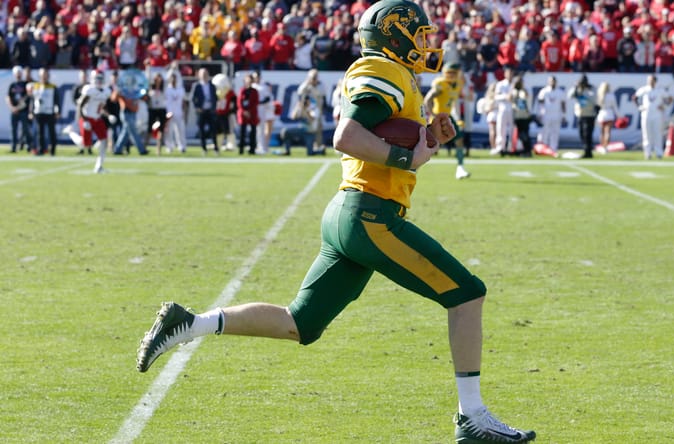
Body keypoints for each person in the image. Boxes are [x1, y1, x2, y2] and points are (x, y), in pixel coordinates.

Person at [136, 1, 536, 442]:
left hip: (351, 212)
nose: (426, 44)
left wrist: (428, 141)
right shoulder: (384, 70)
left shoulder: (398, 78)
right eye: (418, 35)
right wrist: (407, 152)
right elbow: (346, 136)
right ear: (394, 35)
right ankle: (472, 417)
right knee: (467, 295)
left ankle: (189, 322)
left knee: (300, 323)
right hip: (370, 216)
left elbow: (396, 154)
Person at [424, 62, 470, 179]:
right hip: (438, 117)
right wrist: (433, 114)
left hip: (448, 116)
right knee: (428, 145)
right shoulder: (441, 84)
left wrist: (457, 116)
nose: (451, 75)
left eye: (453, 73)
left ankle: (460, 168)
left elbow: (453, 102)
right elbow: (428, 99)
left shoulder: (458, 84)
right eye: (449, 73)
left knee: (459, 140)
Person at [77, 70, 112, 173]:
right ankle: (70, 133)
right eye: (97, 78)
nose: (99, 81)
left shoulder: (106, 91)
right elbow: (80, 105)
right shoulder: (89, 90)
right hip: (87, 117)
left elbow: (102, 107)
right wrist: (84, 120)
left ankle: (99, 166)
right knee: (85, 145)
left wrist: (109, 115)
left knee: (104, 141)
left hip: (97, 118)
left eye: (101, 78)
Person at [633, 75, 672, 160]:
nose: (650, 82)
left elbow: (670, 98)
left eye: (652, 80)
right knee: (647, 134)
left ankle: (659, 152)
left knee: (658, 133)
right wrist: (640, 107)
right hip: (646, 114)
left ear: (655, 81)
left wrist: (664, 106)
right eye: (649, 80)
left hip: (657, 114)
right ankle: (648, 153)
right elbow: (634, 97)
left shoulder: (660, 90)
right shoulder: (644, 89)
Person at [29, 67, 60, 156]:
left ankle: (53, 150)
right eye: (42, 75)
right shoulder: (35, 86)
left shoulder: (52, 86)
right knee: (40, 133)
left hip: (50, 112)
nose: (44, 77)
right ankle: (41, 149)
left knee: (51, 132)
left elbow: (57, 100)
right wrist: (31, 112)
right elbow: (32, 100)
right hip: (39, 112)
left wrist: (58, 111)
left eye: (45, 75)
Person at [296, 69, 327, 152]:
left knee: (319, 128)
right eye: (313, 78)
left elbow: (323, 97)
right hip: (308, 111)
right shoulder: (305, 86)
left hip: (318, 110)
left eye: (315, 77)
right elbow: (300, 98)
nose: (314, 79)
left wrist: (324, 108)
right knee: (309, 128)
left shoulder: (321, 85)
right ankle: (309, 145)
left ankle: (319, 146)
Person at [191, 68, 219, 155]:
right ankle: (204, 148)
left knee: (213, 130)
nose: (204, 76)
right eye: (202, 74)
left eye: (205, 73)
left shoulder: (212, 85)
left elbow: (215, 97)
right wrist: (197, 107)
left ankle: (216, 148)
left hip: (210, 111)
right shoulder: (197, 86)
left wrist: (214, 107)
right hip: (202, 111)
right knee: (201, 130)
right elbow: (193, 98)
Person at [568, 74, 597, 159]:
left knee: (587, 134)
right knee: (581, 134)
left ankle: (588, 152)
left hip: (590, 115)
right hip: (580, 114)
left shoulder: (591, 89)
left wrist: (584, 93)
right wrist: (576, 87)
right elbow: (570, 96)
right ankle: (586, 149)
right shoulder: (578, 89)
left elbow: (593, 99)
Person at [536, 75, 566, 155]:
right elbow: (540, 104)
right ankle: (544, 148)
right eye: (551, 81)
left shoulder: (560, 92)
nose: (552, 83)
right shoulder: (544, 91)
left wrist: (563, 115)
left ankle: (553, 149)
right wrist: (540, 113)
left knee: (555, 133)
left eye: (553, 81)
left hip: (556, 115)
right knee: (545, 132)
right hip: (546, 115)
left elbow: (563, 104)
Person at [6, 65, 32, 153]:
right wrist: (12, 107)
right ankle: (13, 147)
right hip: (14, 111)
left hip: (23, 110)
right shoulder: (12, 85)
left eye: (19, 73)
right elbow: (8, 97)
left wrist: (19, 106)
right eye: (16, 73)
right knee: (14, 130)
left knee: (25, 129)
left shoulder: (25, 84)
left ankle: (29, 146)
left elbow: (27, 97)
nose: (18, 75)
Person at [511, 74, 536, 157]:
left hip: (524, 116)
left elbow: (524, 97)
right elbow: (510, 99)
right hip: (517, 116)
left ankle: (528, 151)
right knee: (521, 134)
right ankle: (525, 150)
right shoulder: (514, 91)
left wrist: (521, 88)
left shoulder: (524, 90)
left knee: (524, 134)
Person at [252, 71, 275, 155]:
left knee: (263, 128)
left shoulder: (264, 86)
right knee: (257, 129)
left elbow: (268, 98)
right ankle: (258, 146)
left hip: (263, 109)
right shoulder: (252, 86)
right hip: (255, 109)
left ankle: (263, 146)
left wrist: (259, 102)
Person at [163, 72, 187, 154]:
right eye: (172, 78)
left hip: (178, 112)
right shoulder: (167, 90)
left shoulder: (181, 89)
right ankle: (169, 146)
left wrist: (184, 112)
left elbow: (183, 102)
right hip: (169, 112)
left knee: (180, 130)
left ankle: (181, 146)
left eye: (174, 78)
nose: (173, 80)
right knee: (169, 131)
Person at [236, 74, 259, 155]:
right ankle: (241, 149)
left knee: (253, 132)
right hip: (243, 114)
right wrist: (244, 111)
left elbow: (255, 102)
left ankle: (252, 149)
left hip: (252, 114)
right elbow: (239, 102)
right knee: (242, 132)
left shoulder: (254, 91)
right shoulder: (242, 90)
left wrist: (249, 111)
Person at [145, 73, 167, 155]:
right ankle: (145, 147)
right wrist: (148, 68)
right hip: (153, 109)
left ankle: (158, 149)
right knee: (150, 129)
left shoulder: (163, 89)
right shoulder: (151, 88)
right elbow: (147, 78)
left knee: (161, 130)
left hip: (161, 109)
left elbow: (168, 77)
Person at [596, 81, 618, 154]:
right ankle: (605, 147)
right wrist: (618, 115)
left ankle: (602, 146)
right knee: (607, 132)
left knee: (602, 133)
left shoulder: (599, 95)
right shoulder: (611, 96)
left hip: (601, 114)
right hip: (609, 114)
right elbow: (615, 107)